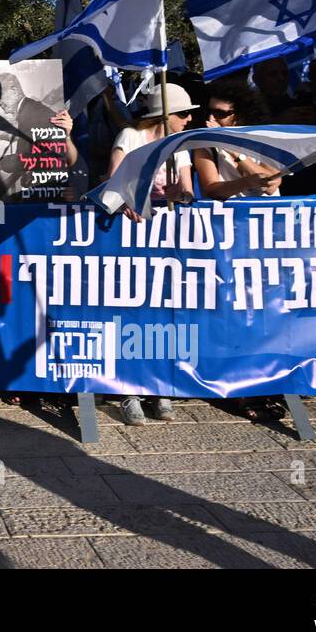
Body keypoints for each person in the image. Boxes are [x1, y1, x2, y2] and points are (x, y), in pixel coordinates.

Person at [109, 83, 196, 426]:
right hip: (128, 239)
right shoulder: (129, 136)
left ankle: (158, 386)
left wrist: (180, 193)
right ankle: (128, 390)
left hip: (164, 239)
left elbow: (188, 192)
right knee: (130, 313)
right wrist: (128, 199)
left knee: (161, 313)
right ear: (166, 114)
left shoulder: (180, 147)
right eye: (184, 113)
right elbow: (112, 184)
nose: (189, 120)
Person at [192, 82, 283, 200]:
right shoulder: (204, 145)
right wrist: (247, 182)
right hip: (228, 217)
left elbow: (271, 186)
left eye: (220, 113)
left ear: (240, 115)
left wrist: (235, 152)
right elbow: (212, 190)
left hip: (266, 215)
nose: (211, 118)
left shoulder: (264, 140)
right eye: (209, 112)